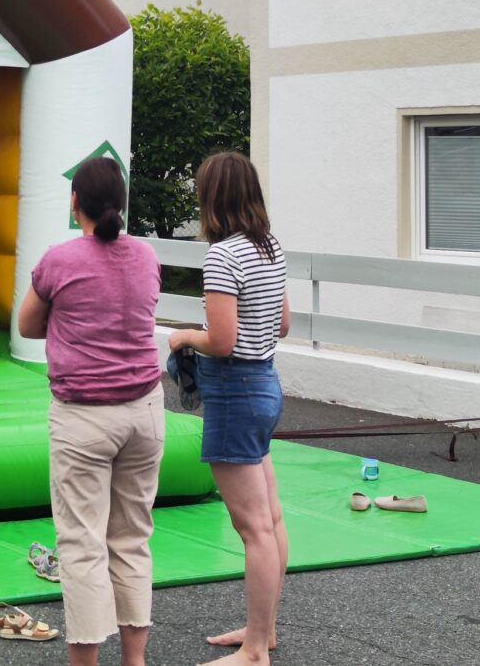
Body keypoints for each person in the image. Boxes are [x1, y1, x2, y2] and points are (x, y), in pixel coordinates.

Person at [17, 157, 164, 666]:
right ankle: (134, 660)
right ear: (121, 202)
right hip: (145, 410)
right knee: (132, 538)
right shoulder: (146, 255)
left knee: (81, 543)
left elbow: (28, 326)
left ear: (74, 201)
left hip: (84, 417)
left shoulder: (59, 260)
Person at [167, 151, 291, 666]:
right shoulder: (269, 246)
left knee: (252, 527)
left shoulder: (222, 257)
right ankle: (264, 630)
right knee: (271, 519)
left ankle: (255, 650)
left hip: (235, 394)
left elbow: (221, 340)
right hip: (265, 384)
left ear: (211, 197)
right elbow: (282, 325)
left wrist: (182, 336)